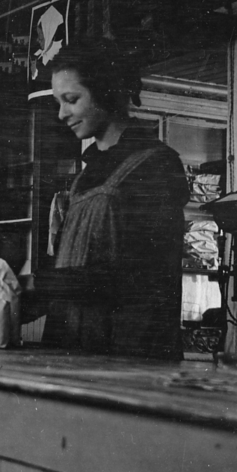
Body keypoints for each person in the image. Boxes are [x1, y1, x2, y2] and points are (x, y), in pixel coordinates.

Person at [43, 44, 189, 359]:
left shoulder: (157, 165)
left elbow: (144, 277)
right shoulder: (86, 176)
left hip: (130, 350)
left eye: (71, 99)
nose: (61, 114)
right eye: (59, 102)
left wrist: (40, 285)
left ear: (107, 92)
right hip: (75, 345)